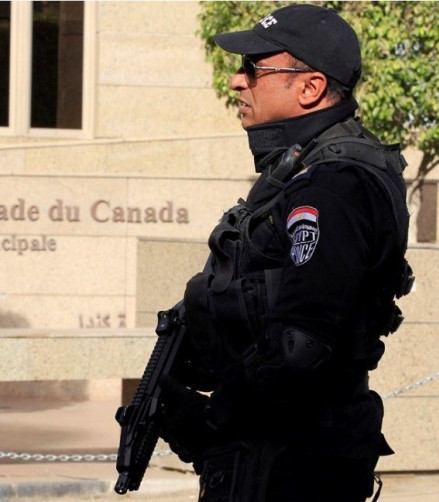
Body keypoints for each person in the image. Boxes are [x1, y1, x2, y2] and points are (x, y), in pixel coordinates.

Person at [158, 4, 413, 502]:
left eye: (255, 68)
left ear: (310, 87)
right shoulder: (302, 172)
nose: (237, 81)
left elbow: (302, 346)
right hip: (275, 461)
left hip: (295, 468)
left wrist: (211, 418)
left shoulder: (332, 186)